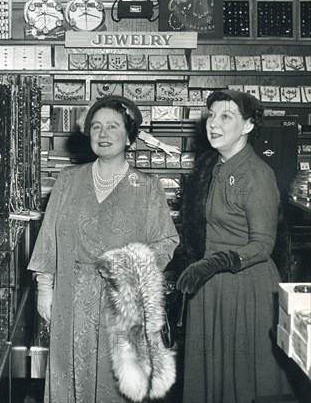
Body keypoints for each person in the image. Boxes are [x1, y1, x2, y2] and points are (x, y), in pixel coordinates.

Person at [28, 95, 179, 402]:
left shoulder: (146, 186)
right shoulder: (68, 180)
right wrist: (45, 287)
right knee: (68, 376)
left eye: (113, 126)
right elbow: (48, 237)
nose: (103, 134)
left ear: (129, 136)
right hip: (71, 298)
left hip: (122, 302)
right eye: (96, 127)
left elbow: (166, 241)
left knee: (117, 383)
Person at [176, 90, 291, 403]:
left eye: (225, 116)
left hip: (245, 289)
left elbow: (263, 245)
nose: (214, 123)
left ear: (248, 126)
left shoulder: (257, 174)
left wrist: (212, 263)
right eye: (212, 115)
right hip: (213, 288)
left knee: (243, 381)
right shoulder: (216, 166)